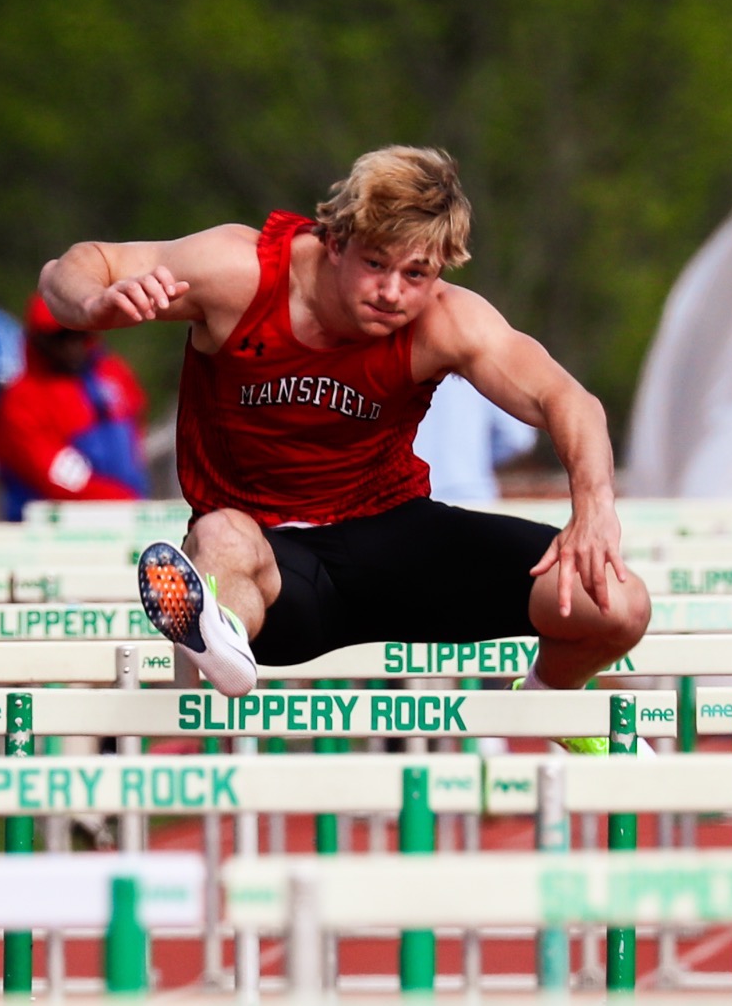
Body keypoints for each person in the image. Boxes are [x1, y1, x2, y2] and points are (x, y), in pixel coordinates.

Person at [39, 146, 649, 749]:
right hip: (274, 559)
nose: (392, 293)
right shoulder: (239, 273)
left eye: (417, 274)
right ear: (334, 240)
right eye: (377, 264)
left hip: (396, 542)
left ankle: (550, 698)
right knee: (221, 538)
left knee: (618, 605)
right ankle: (219, 632)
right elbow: (76, 265)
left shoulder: (445, 320)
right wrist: (93, 305)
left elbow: (567, 400)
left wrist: (593, 510)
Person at [0, 294, 149, 520]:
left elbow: (137, 437)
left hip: (129, 517)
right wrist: (132, 506)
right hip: (54, 531)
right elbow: (57, 477)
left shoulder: (113, 374)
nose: (72, 345)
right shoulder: (22, 400)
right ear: (39, 339)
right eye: (60, 336)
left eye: (78, 332)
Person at [412, 372, 540, 503]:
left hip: (409, 496)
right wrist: (476, 460)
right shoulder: (479, 365)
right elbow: (517, 438)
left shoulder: (399, 363)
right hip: (472, 493)